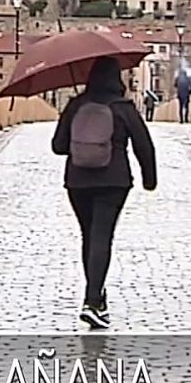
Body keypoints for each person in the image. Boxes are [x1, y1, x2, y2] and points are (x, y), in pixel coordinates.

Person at [52, 57, 157, 329]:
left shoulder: (77, 105)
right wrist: (149, 179)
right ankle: (93, 299)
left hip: (77, 181)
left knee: (89, 237)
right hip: (114, 180)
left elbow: (58, 146)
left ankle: (97, 298)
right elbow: (144, 145)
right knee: (102, 237)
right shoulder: (123, 108)